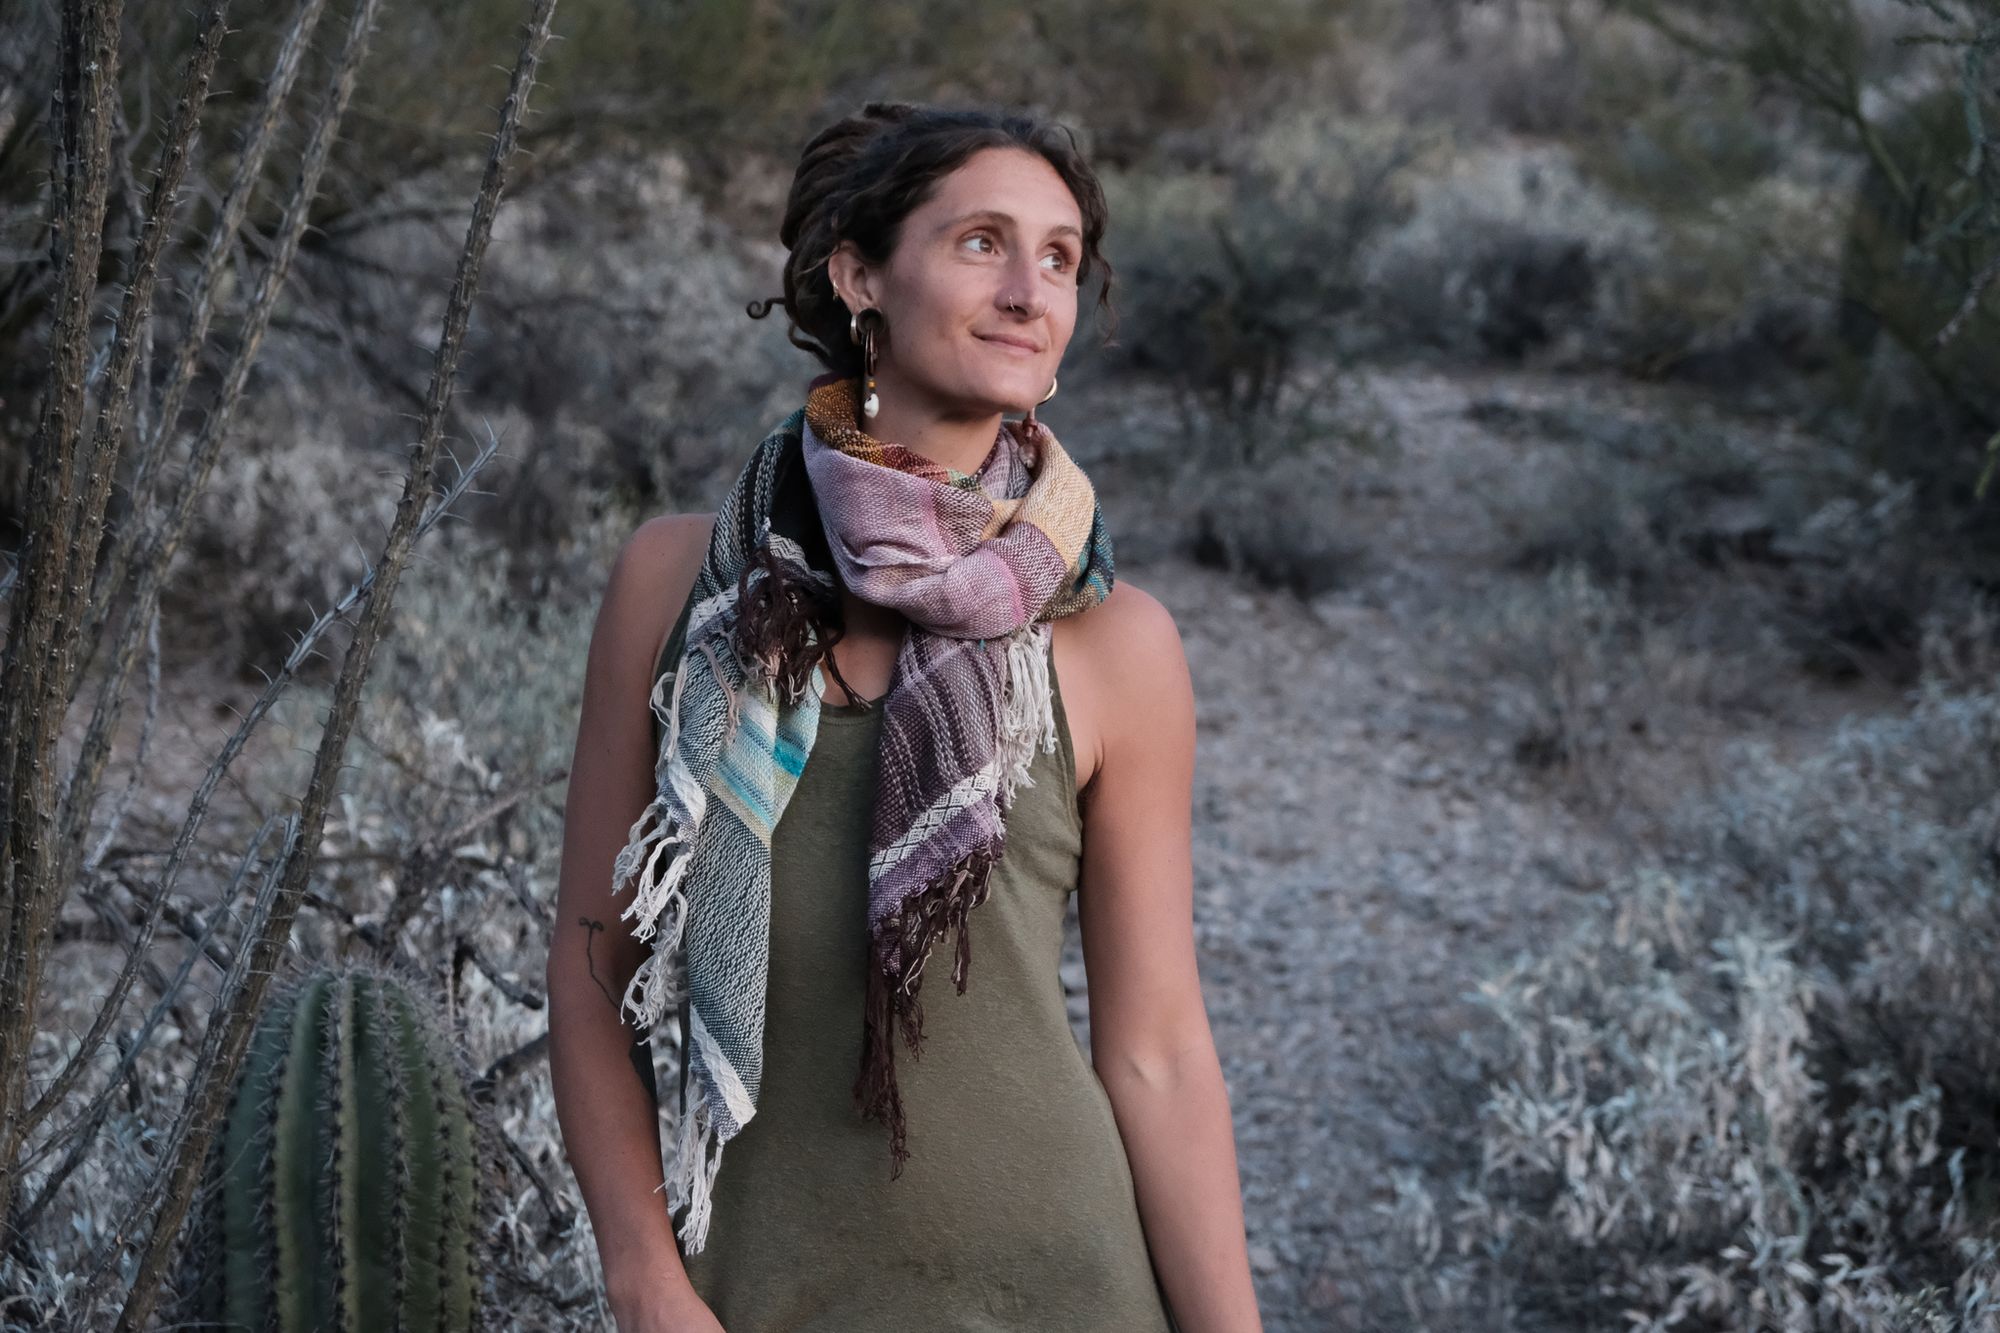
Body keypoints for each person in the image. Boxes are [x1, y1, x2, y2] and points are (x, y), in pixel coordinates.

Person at [546, 101, 1263, 1333]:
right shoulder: (684, 587)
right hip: (760, 1292)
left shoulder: (1114, 642)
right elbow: (589, 965)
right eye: (981, 241)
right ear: (859, 274)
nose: (1029, 289)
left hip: (1068, 1290)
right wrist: (644, 1280)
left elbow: (1157, 1052)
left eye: (1058, 258)